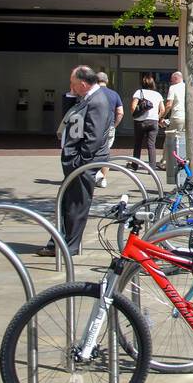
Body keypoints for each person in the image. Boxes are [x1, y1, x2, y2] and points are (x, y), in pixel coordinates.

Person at [48, 65, 116, 256]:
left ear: (84, 84)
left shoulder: (98, 101)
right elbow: (70, 118)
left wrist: (79, 161)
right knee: (67, 202)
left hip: (84, 161)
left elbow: (93, 137)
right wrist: (70, 96)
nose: (71, 87)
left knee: (77, 205)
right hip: (77, 159)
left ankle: (70, 245)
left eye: (74, 84)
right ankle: (58, 241)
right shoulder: (87, 98)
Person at [95, 71, 123, 188]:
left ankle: (92, 175)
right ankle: (103, 178)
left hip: (95, 127)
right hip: (109, 126)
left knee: (92, 151)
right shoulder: (114, 94)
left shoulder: (92, 93)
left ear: (96, 81)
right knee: (106, 152)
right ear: (107, 81)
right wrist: (114, 125)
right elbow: (120, 113)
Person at [130, 73, 163, 170]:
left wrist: (135, 114)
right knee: (151, 145)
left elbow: (132, 107)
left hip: (140, 122)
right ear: (153, 84)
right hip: (153, 122)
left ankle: (135, 165)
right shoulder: (158, 94)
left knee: (138, 144)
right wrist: (157, 117)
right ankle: (152, 168)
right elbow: (163, 109)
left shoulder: (138, 92)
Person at [160, 70, 186, 181]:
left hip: (176, 116)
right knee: (183, 140)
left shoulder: (173, 88)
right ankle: (183, 160)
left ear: (175, 78)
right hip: (187, 118)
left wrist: (161, 115)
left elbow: (169, 104)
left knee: (169, 140)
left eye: (171, 79)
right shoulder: (187, 87)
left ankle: (165, 162)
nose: (170, 81)